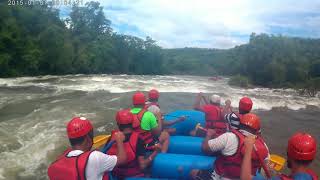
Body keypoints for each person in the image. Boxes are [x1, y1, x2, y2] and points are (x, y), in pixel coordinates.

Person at [190, 113, 269, 180]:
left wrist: (208, 135)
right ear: (257, 130)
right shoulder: (264, 146)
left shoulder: (229, 137)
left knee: (193, 172)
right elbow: (263, 166)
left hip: (220, 177)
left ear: (240, 125)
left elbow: (205, 148)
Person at [48, 117, 127, 180]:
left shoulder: (60, 159)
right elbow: (122, 159)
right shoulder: (95, 157)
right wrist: (119, 140)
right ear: (88, 139)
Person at [106, 110, 161, 179]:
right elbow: (142, 165)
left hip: (116, 175)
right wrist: (156, 152)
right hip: (133, 176)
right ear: (132, 123)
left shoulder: (112, 138)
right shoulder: (138, 139)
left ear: (118, 124)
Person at [241, 133, 318, 180]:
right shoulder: (312, 176)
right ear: (312, 158)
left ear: (289, 154)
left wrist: (248, 148)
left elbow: (245, 177)